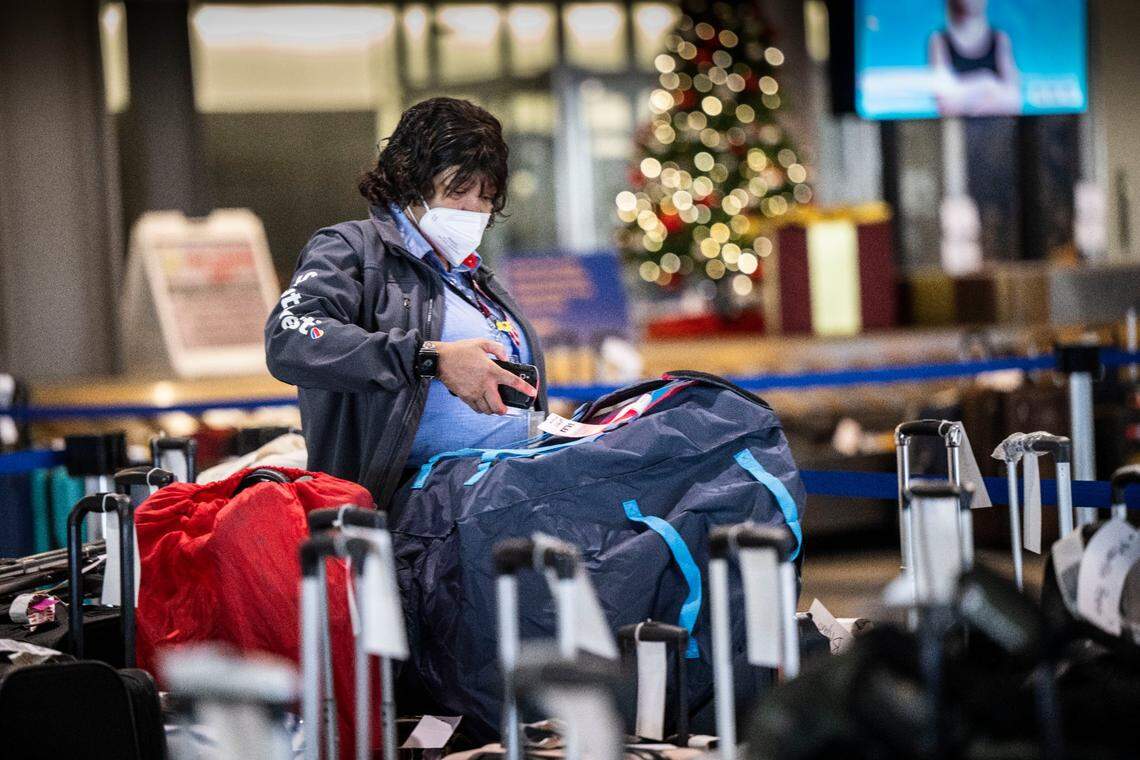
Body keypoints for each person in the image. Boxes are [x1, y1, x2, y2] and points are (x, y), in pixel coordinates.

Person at [265, 97, 544, 506]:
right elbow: (290, 339)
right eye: (458, 191)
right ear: (410, 183)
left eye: (486, 197)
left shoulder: (475, 277)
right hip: (414, 506)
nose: (473, 210)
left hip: (511, 487)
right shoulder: (351, 249)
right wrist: (430, 358)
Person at [928, 0, 1020, 116]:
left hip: (999, 127)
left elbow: (1014, 100)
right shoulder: (939, 40)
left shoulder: (1000, 38)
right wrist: (987, 84)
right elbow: (945, 103)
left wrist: (965, 96)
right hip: (957, 129)